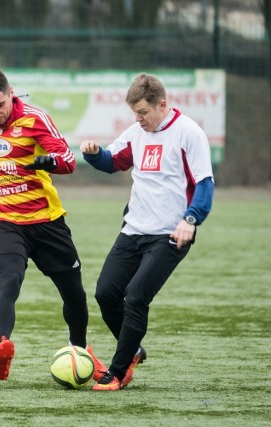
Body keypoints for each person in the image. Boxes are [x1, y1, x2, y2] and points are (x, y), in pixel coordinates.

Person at [0, 69, 106, 381]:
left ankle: (79, 349)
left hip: (46, 220)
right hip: (2, 219)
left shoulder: (35, 119)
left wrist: (51, 163)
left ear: (11, 93)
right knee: (9, 279)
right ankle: (1, 347)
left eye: (0, 105)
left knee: (74, 294)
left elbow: (69, 161)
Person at [80, 72, 214, 391]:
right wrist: (93, 154)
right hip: (134, 230)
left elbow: (205, 184)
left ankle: (118, 370)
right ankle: (134, 351)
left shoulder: (188, 134)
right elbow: (113, 162)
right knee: (106, 292)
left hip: (171, 234)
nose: (138, 119)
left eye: (142, 112)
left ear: (162, 105)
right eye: (134, 113)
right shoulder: (137, 132)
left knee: (136, 296)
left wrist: (191, 219)